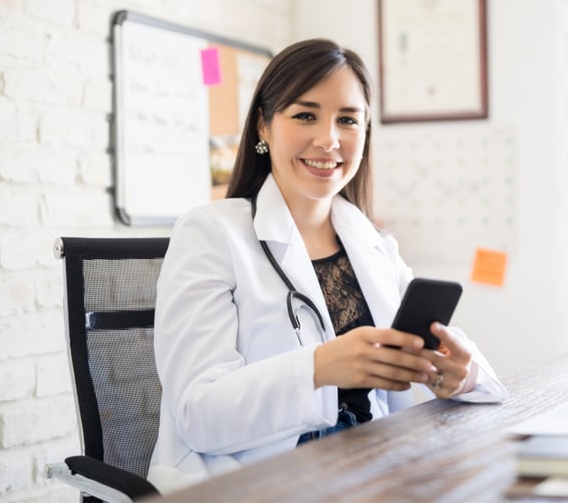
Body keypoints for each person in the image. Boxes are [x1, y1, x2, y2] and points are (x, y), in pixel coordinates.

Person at [147, 38, 509, 492]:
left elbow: (486, 382)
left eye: (348, 120)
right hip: (255, 483)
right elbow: (198, 415)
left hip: (371, 470)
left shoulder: (373, 246)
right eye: (305, 115)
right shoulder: (210, 234)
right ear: (264, 126)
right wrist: (319, 368)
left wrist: (460, 374)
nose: (329, 140)